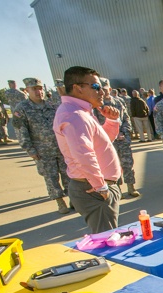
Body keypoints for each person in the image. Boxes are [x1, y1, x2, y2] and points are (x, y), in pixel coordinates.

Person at [53, 66, 122, 233]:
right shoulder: (75, 115)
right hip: (94, 189)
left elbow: (101, 144)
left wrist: (112, 121)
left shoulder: (81, 112)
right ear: (78, 88)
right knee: (107, 241)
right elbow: (83, 154)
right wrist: (101, 188)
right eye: (96, 87)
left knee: (109, 237)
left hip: (96, 186)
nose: (102, 92)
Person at [13, 77, 71, 213]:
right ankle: (60, 201)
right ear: (27, 90)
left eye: (40, 88)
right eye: (34, 89)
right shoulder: (22, 109)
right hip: (42, 150)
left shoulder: (52, 105)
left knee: (68, 173)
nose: (38, 91)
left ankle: (72, 198)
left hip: (60, 147)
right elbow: (21, 131)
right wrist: (30, 149)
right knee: (50, 177)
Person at [95, 79, 139, 197]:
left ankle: (131, 187)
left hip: (123, 139)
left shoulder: (119, 102)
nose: (103, 92)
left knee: (128, 163)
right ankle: (117, 190)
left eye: (105, 89)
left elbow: (126, 119)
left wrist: (124, 133)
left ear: (110, 89)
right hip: (107, 142)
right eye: (100, 89)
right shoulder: (97, 106)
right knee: (113, 166)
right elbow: (96, 125)